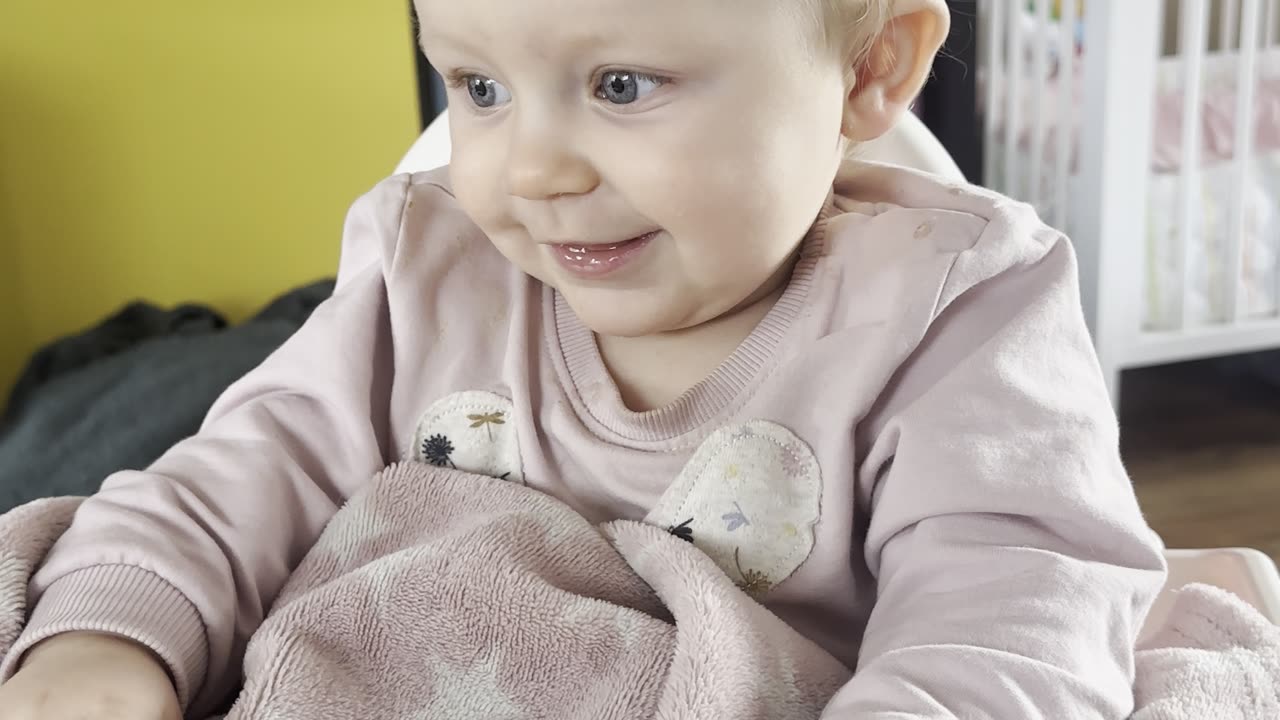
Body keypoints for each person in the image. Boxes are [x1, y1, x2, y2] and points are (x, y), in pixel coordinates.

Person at [0, 0, 1167, 717]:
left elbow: (1013, 620)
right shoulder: (427, 270)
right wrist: (104, 641)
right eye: (480, 89)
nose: (531, 171)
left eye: (621, 86)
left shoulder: (954, 313)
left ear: (868, 70)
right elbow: (233, 478)